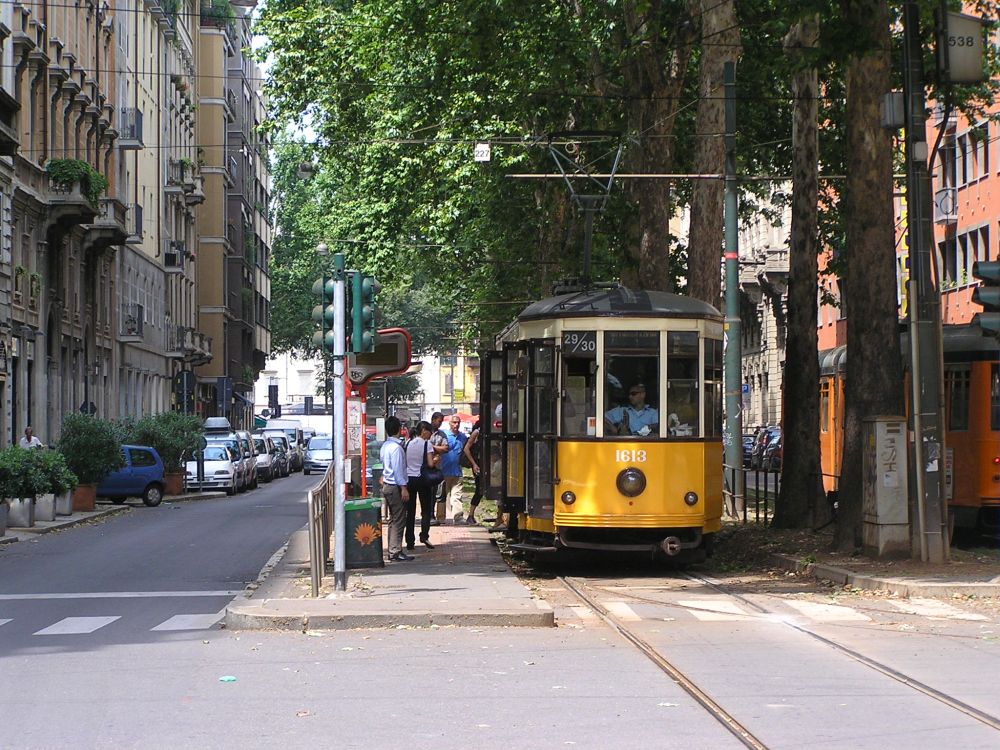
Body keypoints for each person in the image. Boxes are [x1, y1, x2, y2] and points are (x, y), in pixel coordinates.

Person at [379, 416, 412, 562]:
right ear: (399, 429)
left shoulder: (385, 446)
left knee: (394, 519)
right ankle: (395, 550)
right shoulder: (396, 448)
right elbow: (398, 470)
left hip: (388, 485)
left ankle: (393, 549)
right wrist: (403, 488)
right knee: (399, 519)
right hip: (395, 486)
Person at [404, 421, 438, 550]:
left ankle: (409, 541)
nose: (430, 435)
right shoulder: (426, 444)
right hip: (422, 479)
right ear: (424, 431)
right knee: (426, 510)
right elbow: (430, 464)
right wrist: (436, 459)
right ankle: (424, 535)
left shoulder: (408, 443)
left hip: (409, 479)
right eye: (430, 432)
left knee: (410, 511)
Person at [440, 414, 468, 523]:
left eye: (458, 423)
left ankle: (458, 517)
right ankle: (441, 517)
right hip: (443, 471)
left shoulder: (463, 437)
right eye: (454, 422)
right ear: (449, 423)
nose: (456, 425)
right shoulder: (444, 435)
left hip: (457, 472)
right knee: (442, 496)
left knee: (457, 496)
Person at [428, 412, 449, 523]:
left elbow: (445, 448)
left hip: (436, 467)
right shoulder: (425, 431)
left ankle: (432, 514)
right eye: (439, 421)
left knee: (434, 492)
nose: (440, 424)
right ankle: (426, 514)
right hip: (425, 467)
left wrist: (431, 447)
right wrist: (436, 448)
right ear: (433, 420)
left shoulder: (442, 434)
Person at [463, 419, 483, 525]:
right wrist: (474, 464)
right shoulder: (477, 432)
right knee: (479, 489)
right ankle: (470, 515)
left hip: (489, 464)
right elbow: (466, 449)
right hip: (478, 464)